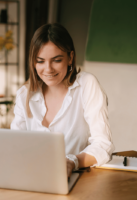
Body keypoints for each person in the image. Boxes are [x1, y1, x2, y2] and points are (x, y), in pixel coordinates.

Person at [11, 23, 114, 178]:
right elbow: (14, 145)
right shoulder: (25, 94)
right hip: (31, 177)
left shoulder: (87, 84)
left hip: (79, 179)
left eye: (56, 60)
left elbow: (103, 145)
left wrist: (72, 161)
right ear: (33, 62)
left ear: (70, 57)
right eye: (40, 61)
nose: (48, 69)